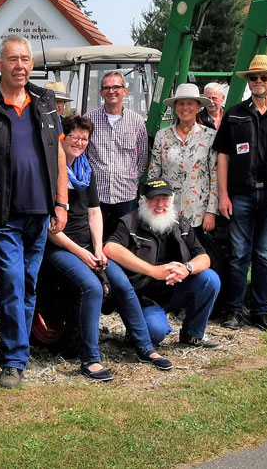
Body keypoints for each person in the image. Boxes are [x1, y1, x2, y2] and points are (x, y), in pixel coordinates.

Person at [0, 34, 68, 389]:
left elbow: (58, 154)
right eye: (12, 59)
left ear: (31, 64)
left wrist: (61, 201)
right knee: (10, 283)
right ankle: (14, 359)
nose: (19, 65)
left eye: (24, 59)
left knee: (27, 284)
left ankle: (13, 347)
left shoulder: (45, 101)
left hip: (40, 212)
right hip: (2, 213)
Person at [45, 116, 175, 381]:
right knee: (92, 288)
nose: (79, 143)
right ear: (62, 138)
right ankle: (90, 359)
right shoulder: (51, 173)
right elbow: (51, 228)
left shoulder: (86, 170)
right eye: (74, 137)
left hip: (89, 246)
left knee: (122, 285)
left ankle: (145, 348)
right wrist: (83, 253)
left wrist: (98, 248)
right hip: (61, 247)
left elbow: (94, 212)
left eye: (84, 138)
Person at [213, 55, 267, 331]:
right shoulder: (235, 114)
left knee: (265, 256)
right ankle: (234, 311)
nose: (258, 82)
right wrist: (223, 195)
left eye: (264, 77)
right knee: (239, 255)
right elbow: (223, 156)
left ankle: (260, 311)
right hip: (241, 194)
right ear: (248, 81)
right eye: (253, 77)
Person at [104, 180, 222, 350]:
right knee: (155, 333)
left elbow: (204, 258)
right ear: (143, 200)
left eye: (165, 199)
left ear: (171, 200)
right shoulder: (129, 222)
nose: (160, 205)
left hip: (175, 288)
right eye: (154, 199)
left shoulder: (181, 223)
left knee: (210, 279)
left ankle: (192, 334)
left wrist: (186, 269)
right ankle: (137, 329)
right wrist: (153, 271)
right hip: (144, 295)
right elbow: (110, 248)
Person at [148, 83, 219, 239]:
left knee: (196, 256)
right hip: (167, 210)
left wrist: (211, 211)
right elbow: (154, 174)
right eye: (181, 103)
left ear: (198, 107)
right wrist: (153, 205)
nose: (185, 108)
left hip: (197, 212)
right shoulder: (162, 135)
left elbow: (214, 175)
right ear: (175, 107)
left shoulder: (210, 136)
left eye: (190, 103)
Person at [84, 71, 149, 234]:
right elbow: (83, 155)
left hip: (126, 194)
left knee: (126, 240)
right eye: (106, 87)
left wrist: (132, 177)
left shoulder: (137, 122)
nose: (111, 91)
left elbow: (142, 157)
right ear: (101, 93)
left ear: (125, 91)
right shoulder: (89, 120)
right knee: (97, 239)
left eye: (116, 87)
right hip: (97, 195)